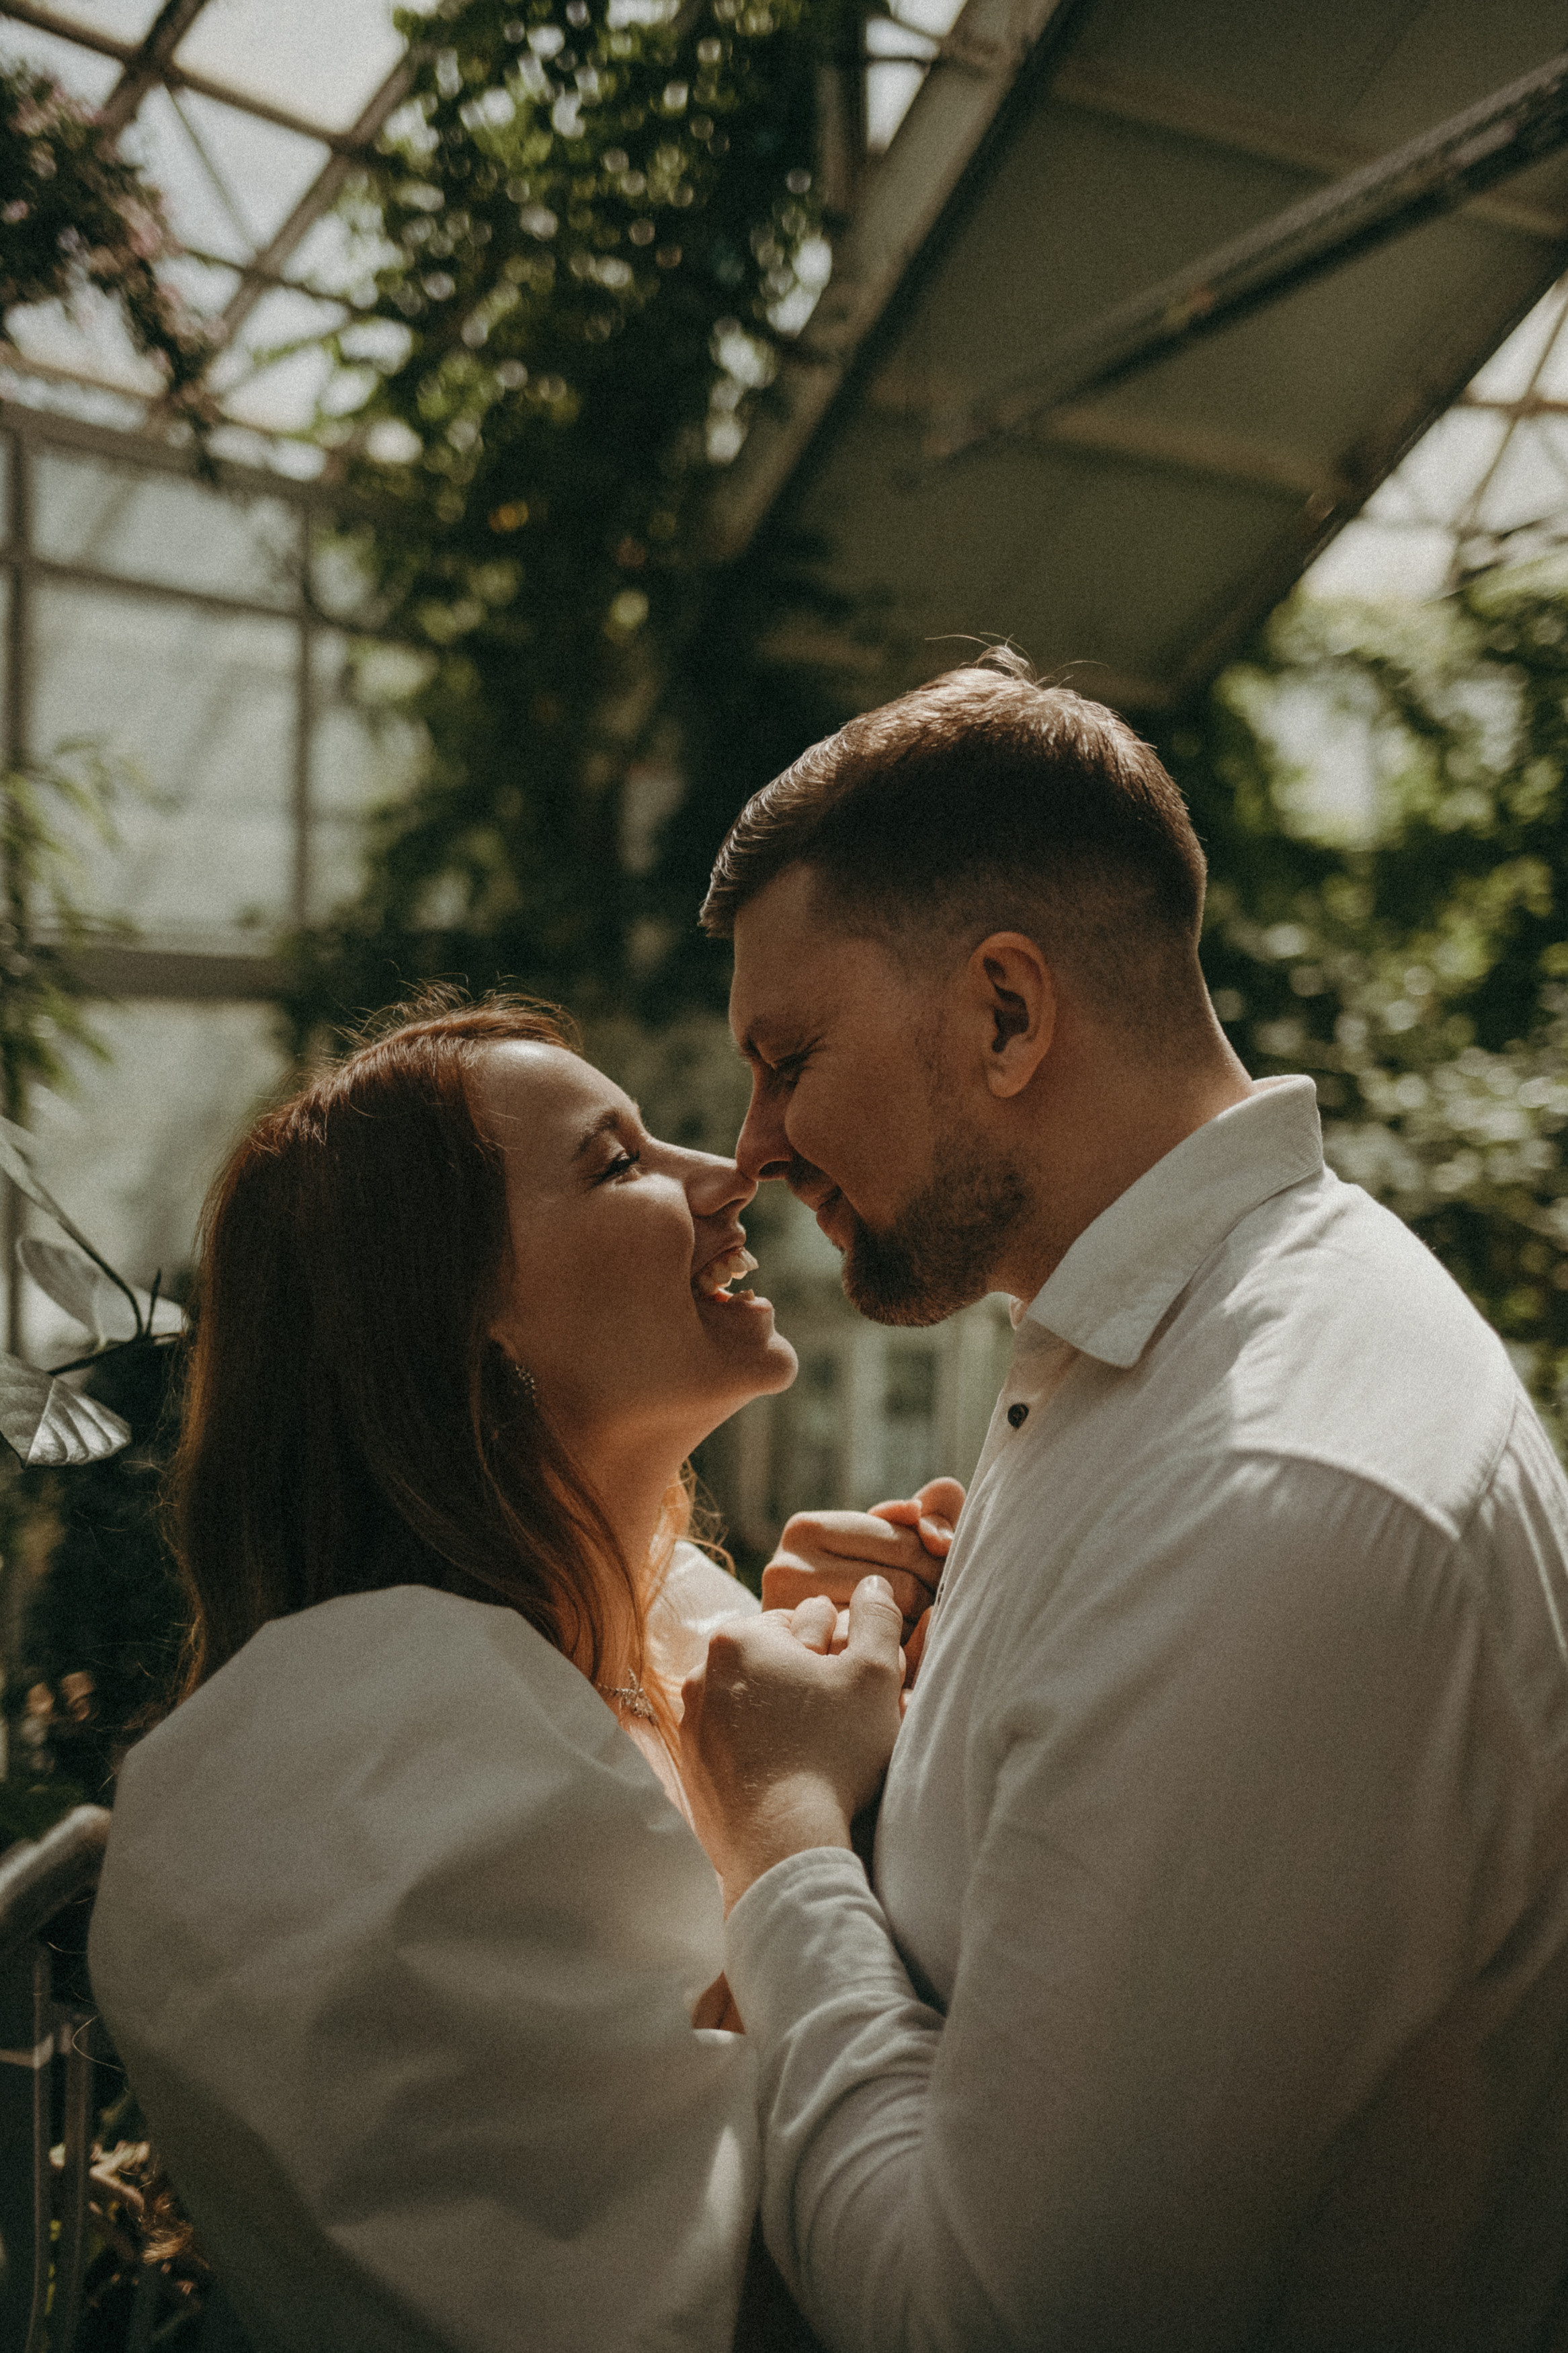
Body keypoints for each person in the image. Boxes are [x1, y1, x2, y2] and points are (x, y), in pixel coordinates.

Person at [679, 649, 1568, 2352]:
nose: (754, 1146)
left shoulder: (1272, 1501)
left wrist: (782, 1829)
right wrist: (957, 1710)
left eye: (789, 1056)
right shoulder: (1141, 1338)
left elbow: (981, 2321)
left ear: (1006, 1014)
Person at [89, 993, 850, 2353]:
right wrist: (804, 1808)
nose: (728, 1173)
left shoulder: (671, 1627)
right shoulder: (373, 1762)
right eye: (617, 1162)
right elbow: (727, 2294)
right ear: (462, 1321)